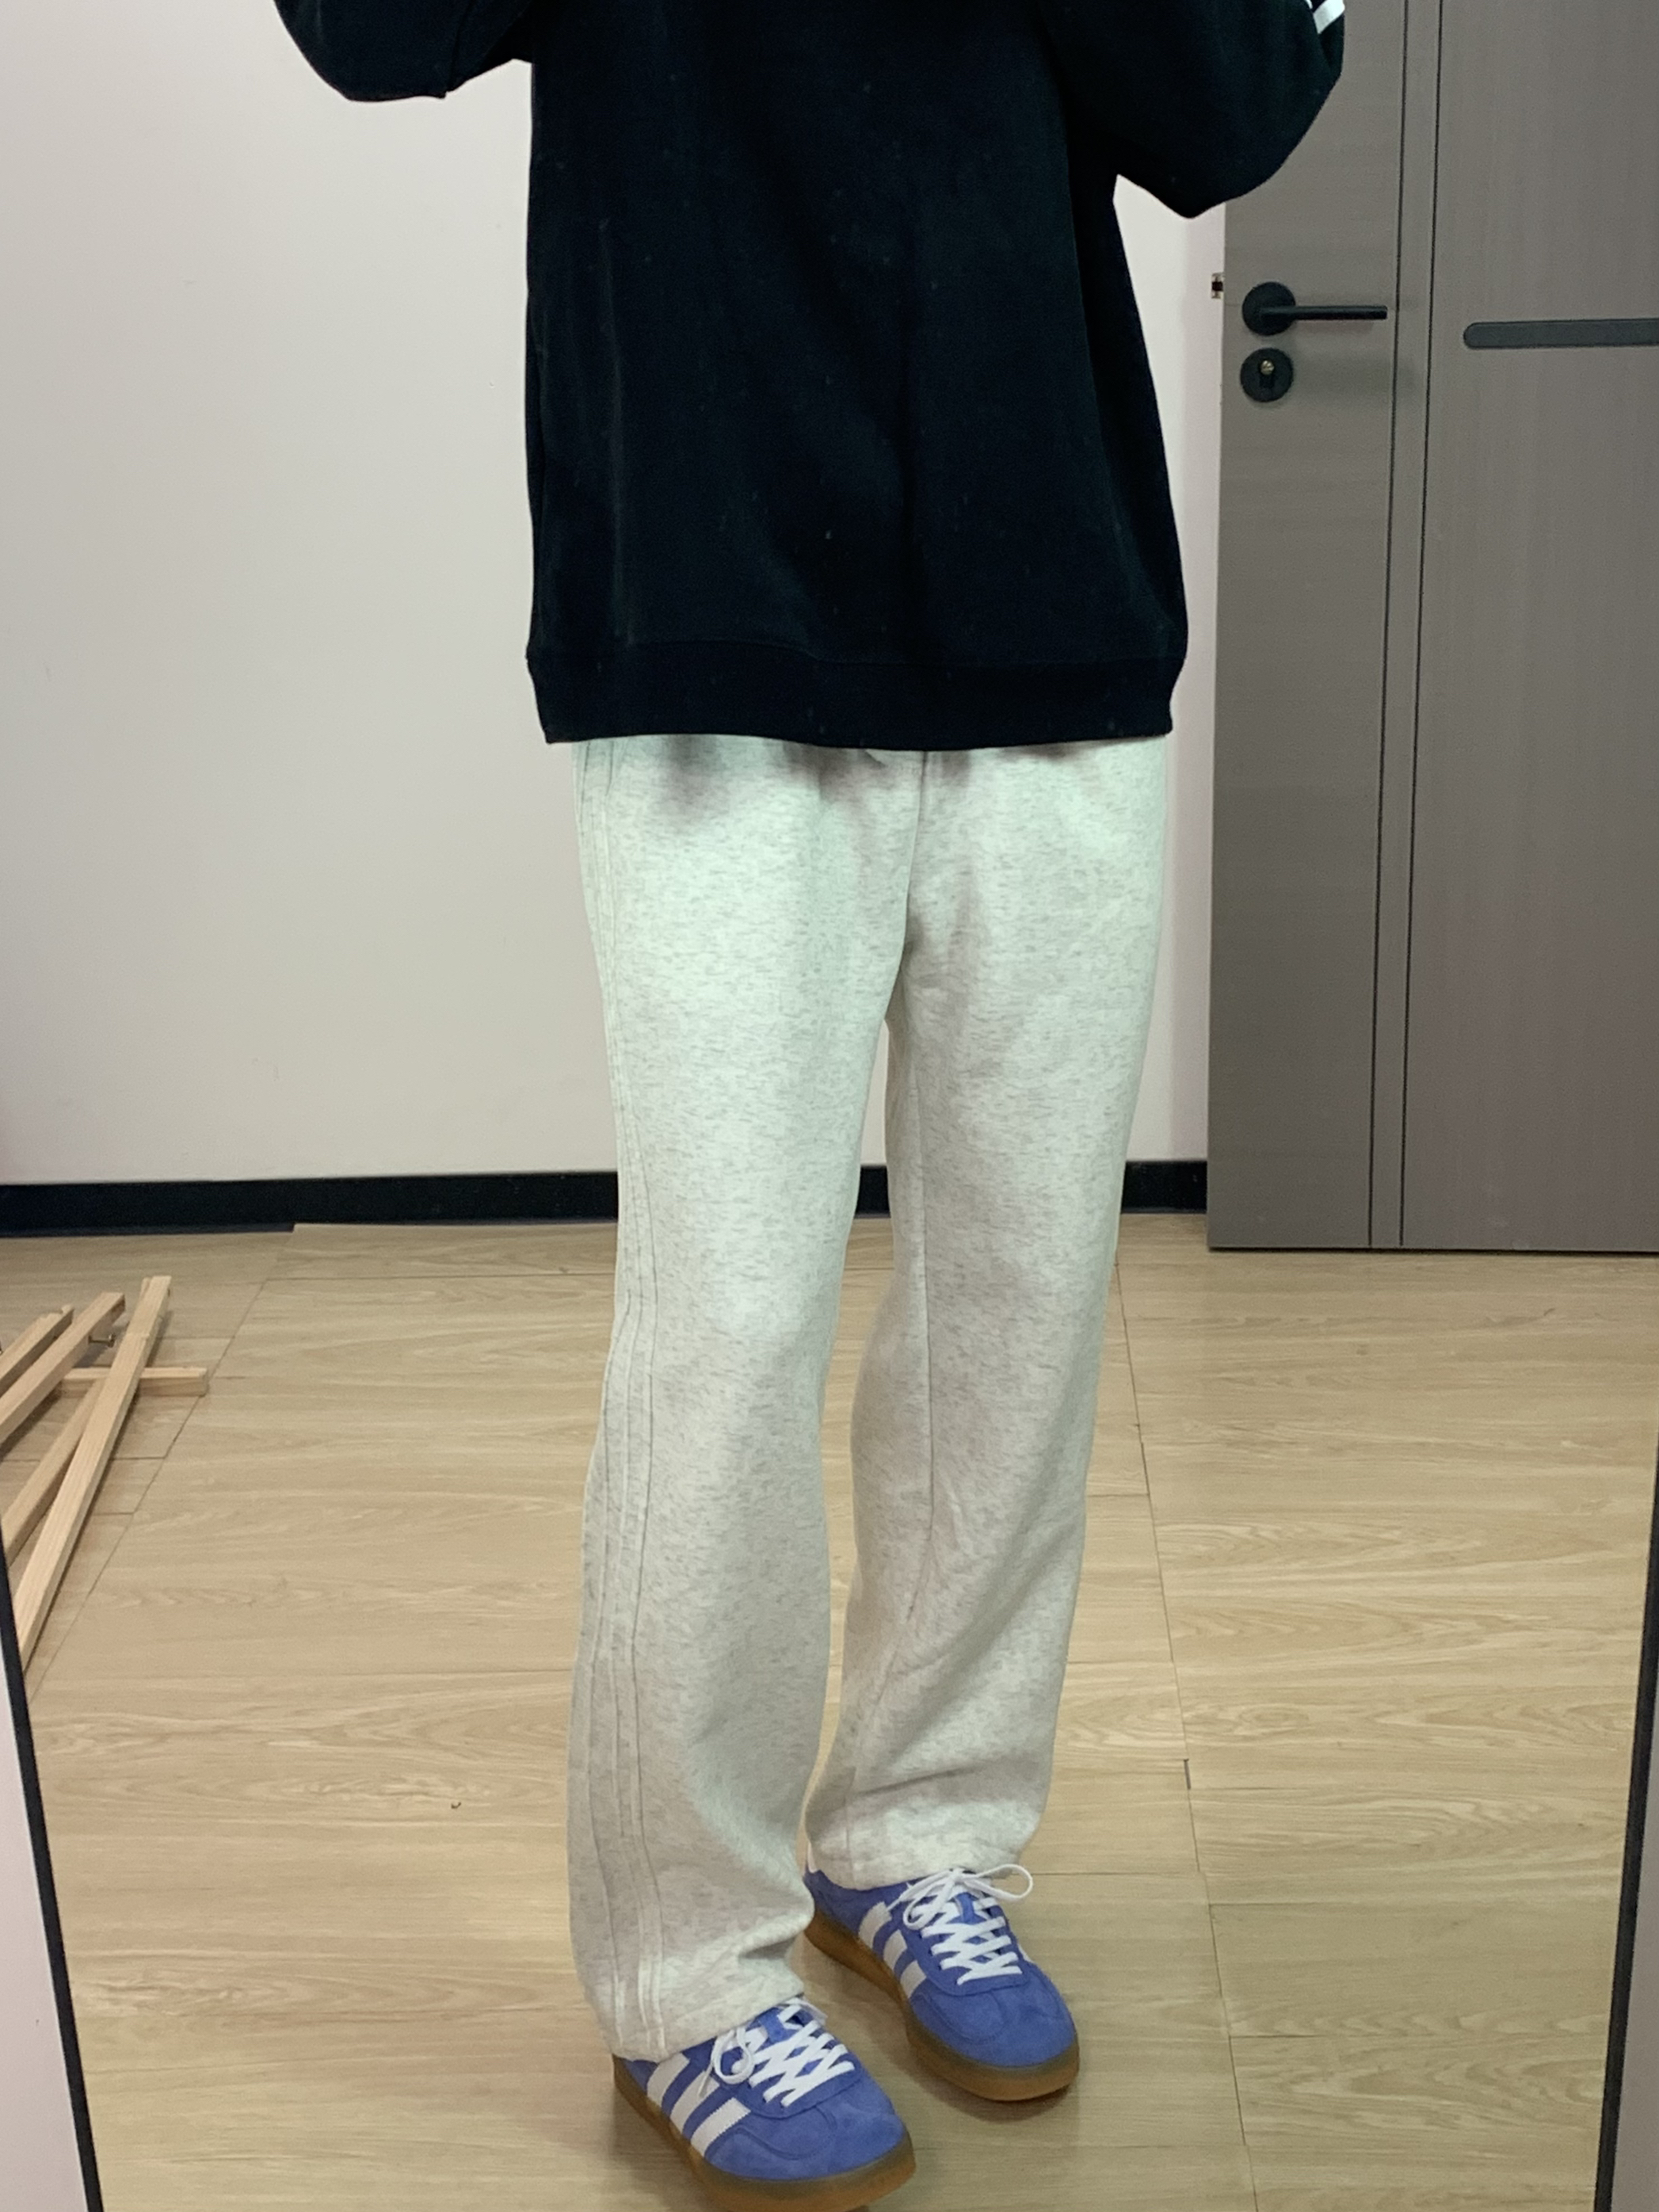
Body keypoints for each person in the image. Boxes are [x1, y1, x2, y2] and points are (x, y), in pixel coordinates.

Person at [275, 5, 1344, 2206]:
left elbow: (1227, 108)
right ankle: (685, 1962)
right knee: (731, 1327)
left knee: (1021, 1302)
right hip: (715, 608)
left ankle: (921, 1834)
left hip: (1051, 598)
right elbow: (365, 29)